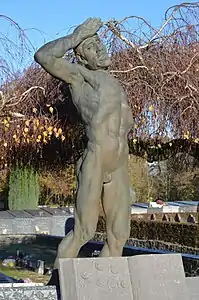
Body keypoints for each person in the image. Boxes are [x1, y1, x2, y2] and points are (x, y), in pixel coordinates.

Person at [34, 17, 134, 269]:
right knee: (84, 232)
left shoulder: (115, 84)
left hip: (119, 164)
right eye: (90, 46)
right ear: (81, 58)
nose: (99, 48)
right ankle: (58, 285)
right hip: (96, 159)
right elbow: (43, 56)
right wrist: (77, 36)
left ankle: (105, 285)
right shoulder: (80, 78)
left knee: (119, 235)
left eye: (99, 42)